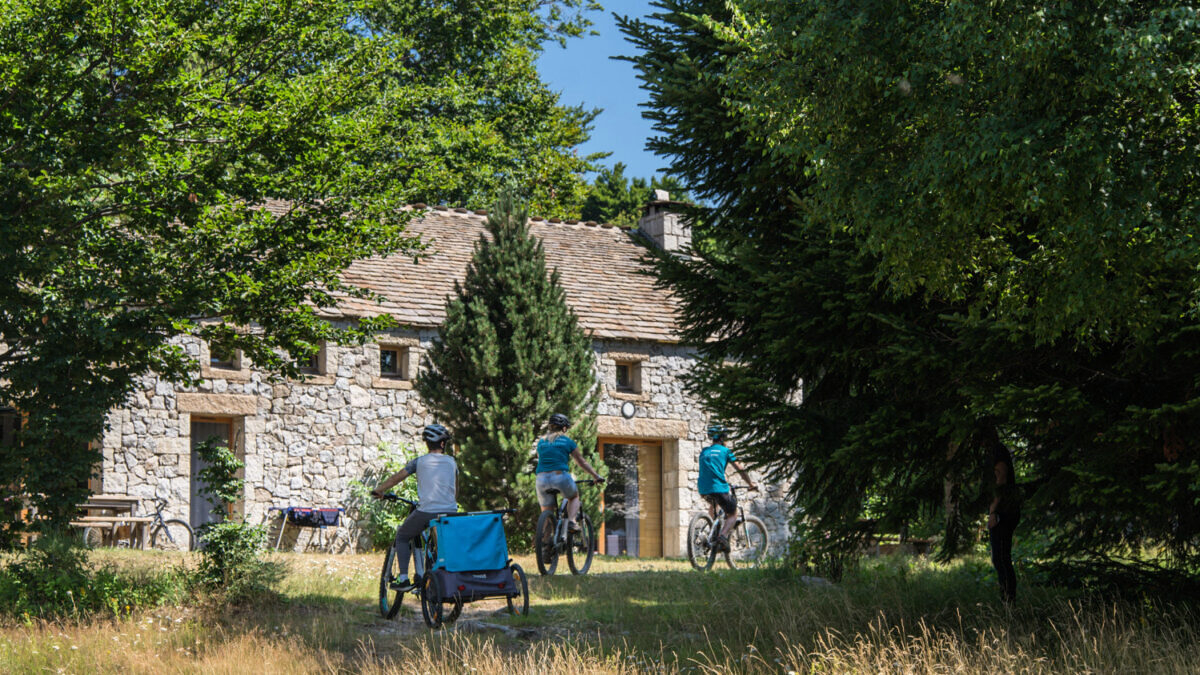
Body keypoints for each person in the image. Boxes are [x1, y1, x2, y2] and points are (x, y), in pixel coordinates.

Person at [371, 423, 457, 586]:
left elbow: (396, 478)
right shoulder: (452, 462)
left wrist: (379, 490)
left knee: (402, 536)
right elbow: (455, 490)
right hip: (450, 511)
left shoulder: (419, 462)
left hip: (427, 511)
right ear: (442, 444)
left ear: (427, 443)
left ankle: (403, 578)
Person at [535, 413, 603, 532]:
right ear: (564, 428)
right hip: (559, 477)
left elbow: (541, 459)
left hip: (541, 480)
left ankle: (545, 544)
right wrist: (595, 476)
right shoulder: (567, 442)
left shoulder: (541, 442)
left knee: (547, 515)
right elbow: (581, 462)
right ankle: (571, 521)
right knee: (574, 497)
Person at [698, 422, 756, 551]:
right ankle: (722, 536)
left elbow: (710, 470)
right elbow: (739, 468)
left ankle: (712, 531)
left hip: (703, 489)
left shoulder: (704, 452)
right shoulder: (725, 451)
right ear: (723, 437)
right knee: (733, 513)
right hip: (719, 488)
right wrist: (750, 484)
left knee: (715, 504)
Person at [986, 432, 1021, 603]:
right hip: (1004, 510)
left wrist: (993, 511)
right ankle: (1007, 600)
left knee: (1001, 558)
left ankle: (1009, 602)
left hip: (1004, 512)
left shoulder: (998, 451)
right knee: (1000, 558)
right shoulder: (995, 451)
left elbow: (1001, 479)